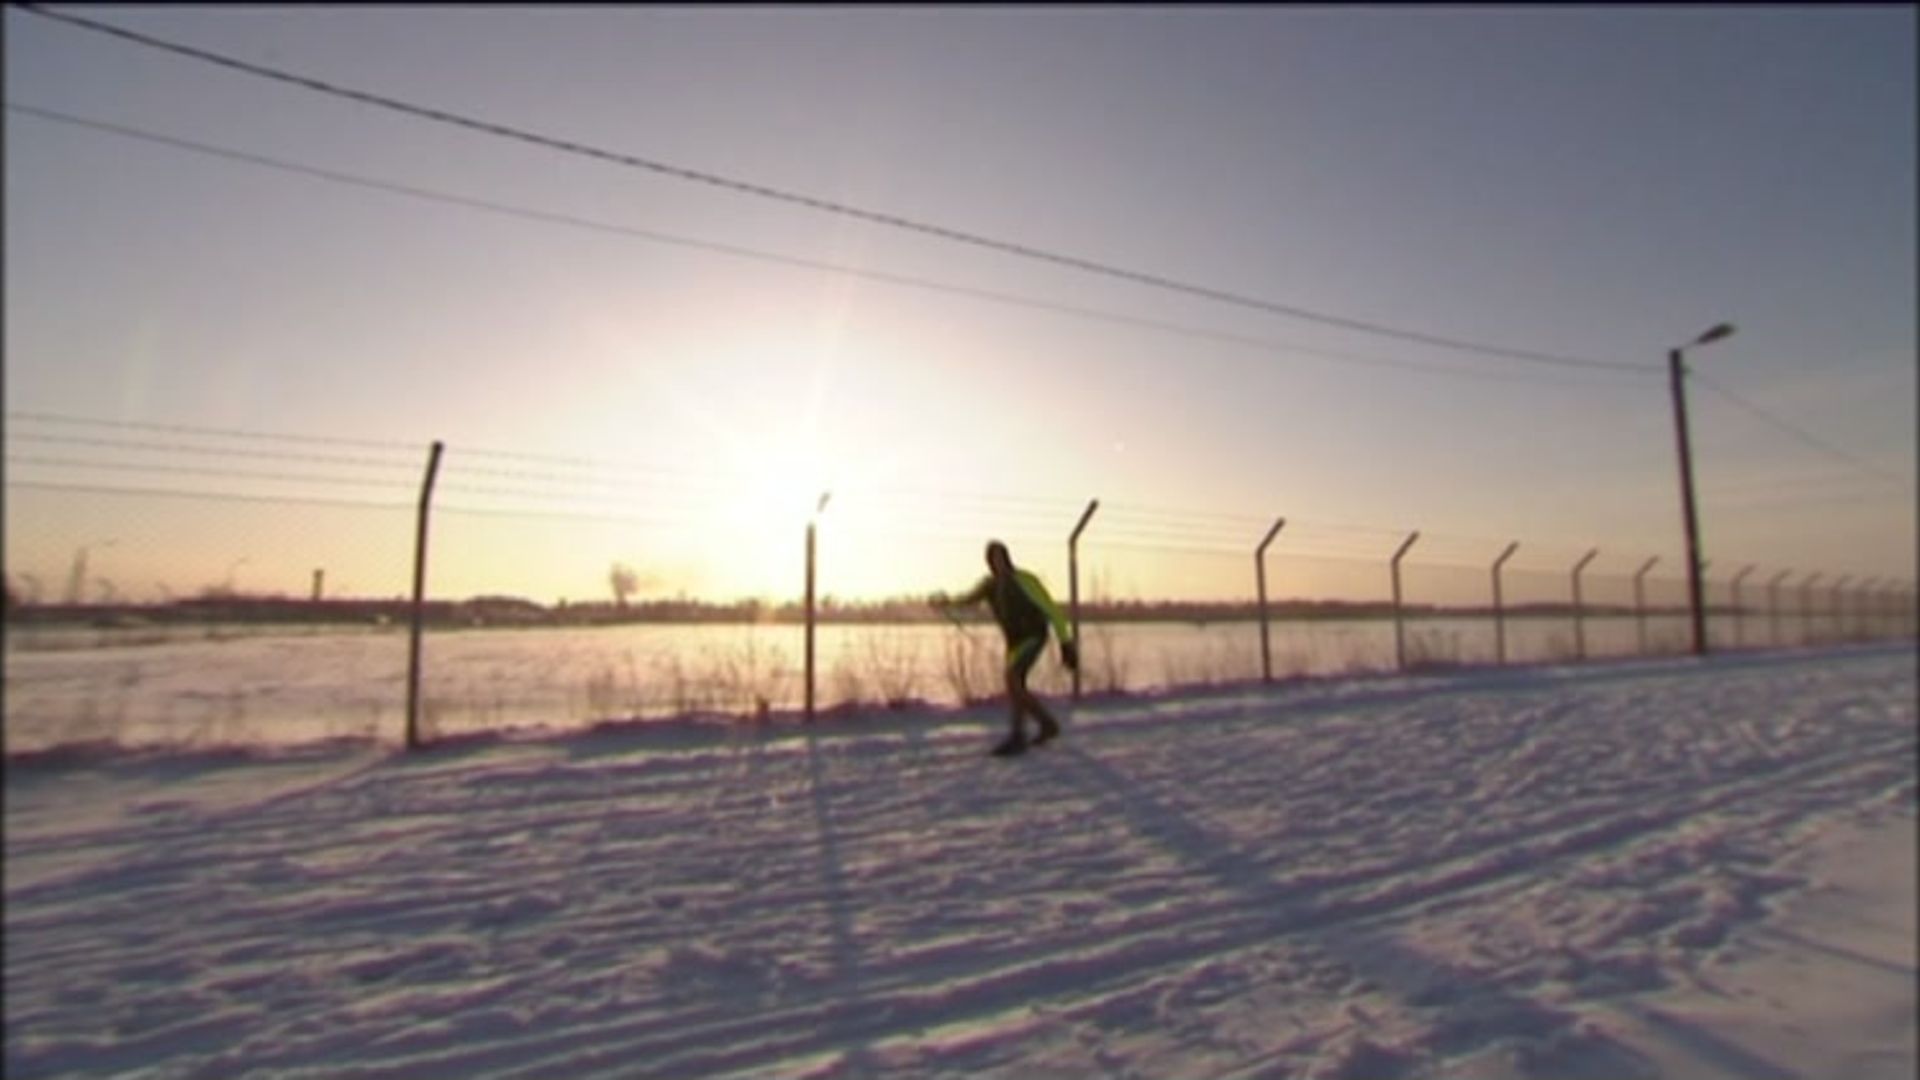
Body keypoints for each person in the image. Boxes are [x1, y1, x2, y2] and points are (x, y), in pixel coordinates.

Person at [932, 540, 1079, 756]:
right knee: (1015, 685)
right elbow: (967, 599)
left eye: (1001, 557)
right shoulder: (990, 585)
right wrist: (945, 602)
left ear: (1008, 558)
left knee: (1012, 679)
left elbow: (1052, 610)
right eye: (993, 559)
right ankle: (1031, 731)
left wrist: (1065, 643)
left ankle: (1036, 728)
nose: (997, 562)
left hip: (1033, 636)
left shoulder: (1025, 580)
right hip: (1014, 642)